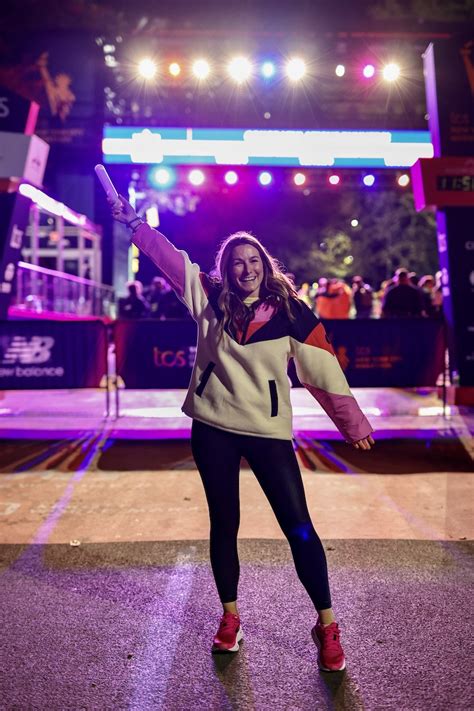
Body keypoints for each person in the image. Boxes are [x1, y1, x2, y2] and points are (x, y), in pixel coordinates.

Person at [110, 195, 374, 673]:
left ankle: (327, 625)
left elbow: (323, 369)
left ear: (264, 265)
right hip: (213, 427)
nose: (246, 269)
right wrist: (135, 224)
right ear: (226, 269)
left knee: (300, 529)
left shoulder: (291, 312)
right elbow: (171, 259)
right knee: (224, 524)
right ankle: (230, 616)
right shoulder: (207, 297)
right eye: (237, 262)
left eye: (253, 261)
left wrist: (351, 423)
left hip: (267, 432)